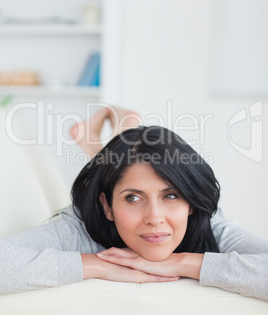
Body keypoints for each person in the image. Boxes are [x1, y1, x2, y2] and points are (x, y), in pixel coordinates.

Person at [0, 106, 268, 300]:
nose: (155, 217)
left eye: (171, 195)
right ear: (107, 207)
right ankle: (112, 141)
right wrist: (98, 264)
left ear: (191, 204)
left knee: (130, 167)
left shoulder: (208, 220)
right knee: (111, 175)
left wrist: (184, 262)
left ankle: (113, 139)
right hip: (97, 200)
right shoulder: (80, 225)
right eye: (133, 198)